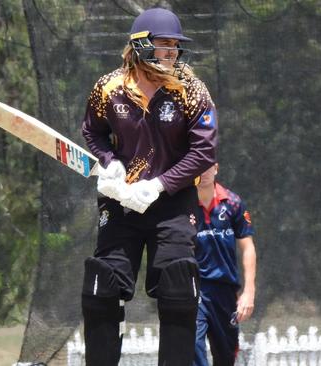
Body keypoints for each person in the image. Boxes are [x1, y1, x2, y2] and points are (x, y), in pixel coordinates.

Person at [80, 7, 218, 366]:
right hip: (120, 202)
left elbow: (204, 150)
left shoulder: (190, 88)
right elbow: (91, 133)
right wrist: (108, 163)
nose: (172, 54)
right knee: (103, 286)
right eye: (164, 46)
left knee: (178, 286)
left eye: (175, 47)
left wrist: (159, 184)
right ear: (140, 46)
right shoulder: (108, 88)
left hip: (172, 204)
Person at [192, 164, 257, 366]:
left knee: (226, 355)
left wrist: (249, 291)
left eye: (207, 167)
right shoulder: (183, 205)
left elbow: (248, 247)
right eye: (197, 167)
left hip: (225, 292)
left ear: (216, 169)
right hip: (195, 288)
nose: (203, 173)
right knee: (192, 345)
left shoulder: (233, 203)